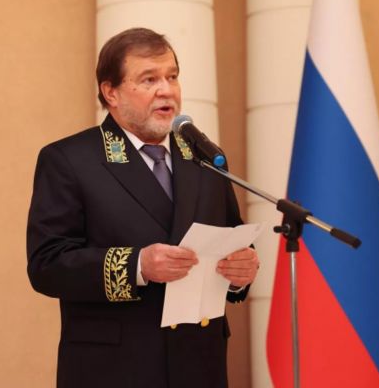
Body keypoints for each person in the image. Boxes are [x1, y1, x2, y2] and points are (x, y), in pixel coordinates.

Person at [27, 27, 259, 388]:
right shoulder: (70, 160)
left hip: (199, 365)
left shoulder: (205, 159)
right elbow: (47, 266)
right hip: (115, 369)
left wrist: (241, 272)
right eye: (149, 79)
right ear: (111, 92)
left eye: (172, 77)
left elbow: (229, 240)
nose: (166, 90)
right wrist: (138, 265)